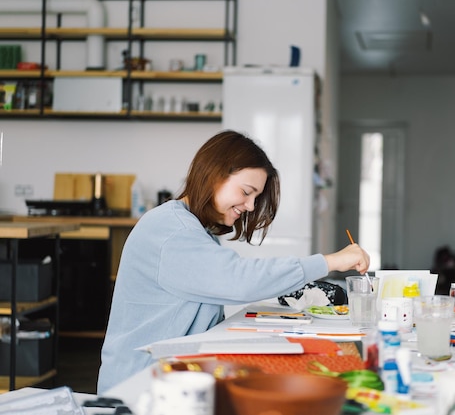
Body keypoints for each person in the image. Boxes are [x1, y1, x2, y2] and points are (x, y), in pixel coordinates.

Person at [97, 130, 370, 393]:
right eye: (246, 191)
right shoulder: (172, 231)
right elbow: (239, 280)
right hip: (139, 388)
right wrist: (330, 260)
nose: (251, 206)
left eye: (255, 197)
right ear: (215, 177)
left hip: (167, 377)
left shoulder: (193, 229)